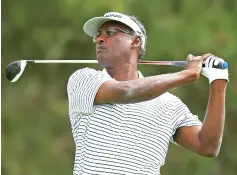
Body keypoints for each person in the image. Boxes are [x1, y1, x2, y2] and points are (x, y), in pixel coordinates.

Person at [67, 12, 229, 175]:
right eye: (97, 35)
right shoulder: (84, 79)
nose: (100, 39)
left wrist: (218, 81)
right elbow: (128, 91)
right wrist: (186, 75)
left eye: (110, 32)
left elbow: (208, 146)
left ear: (135, 41)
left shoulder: (169, 104)